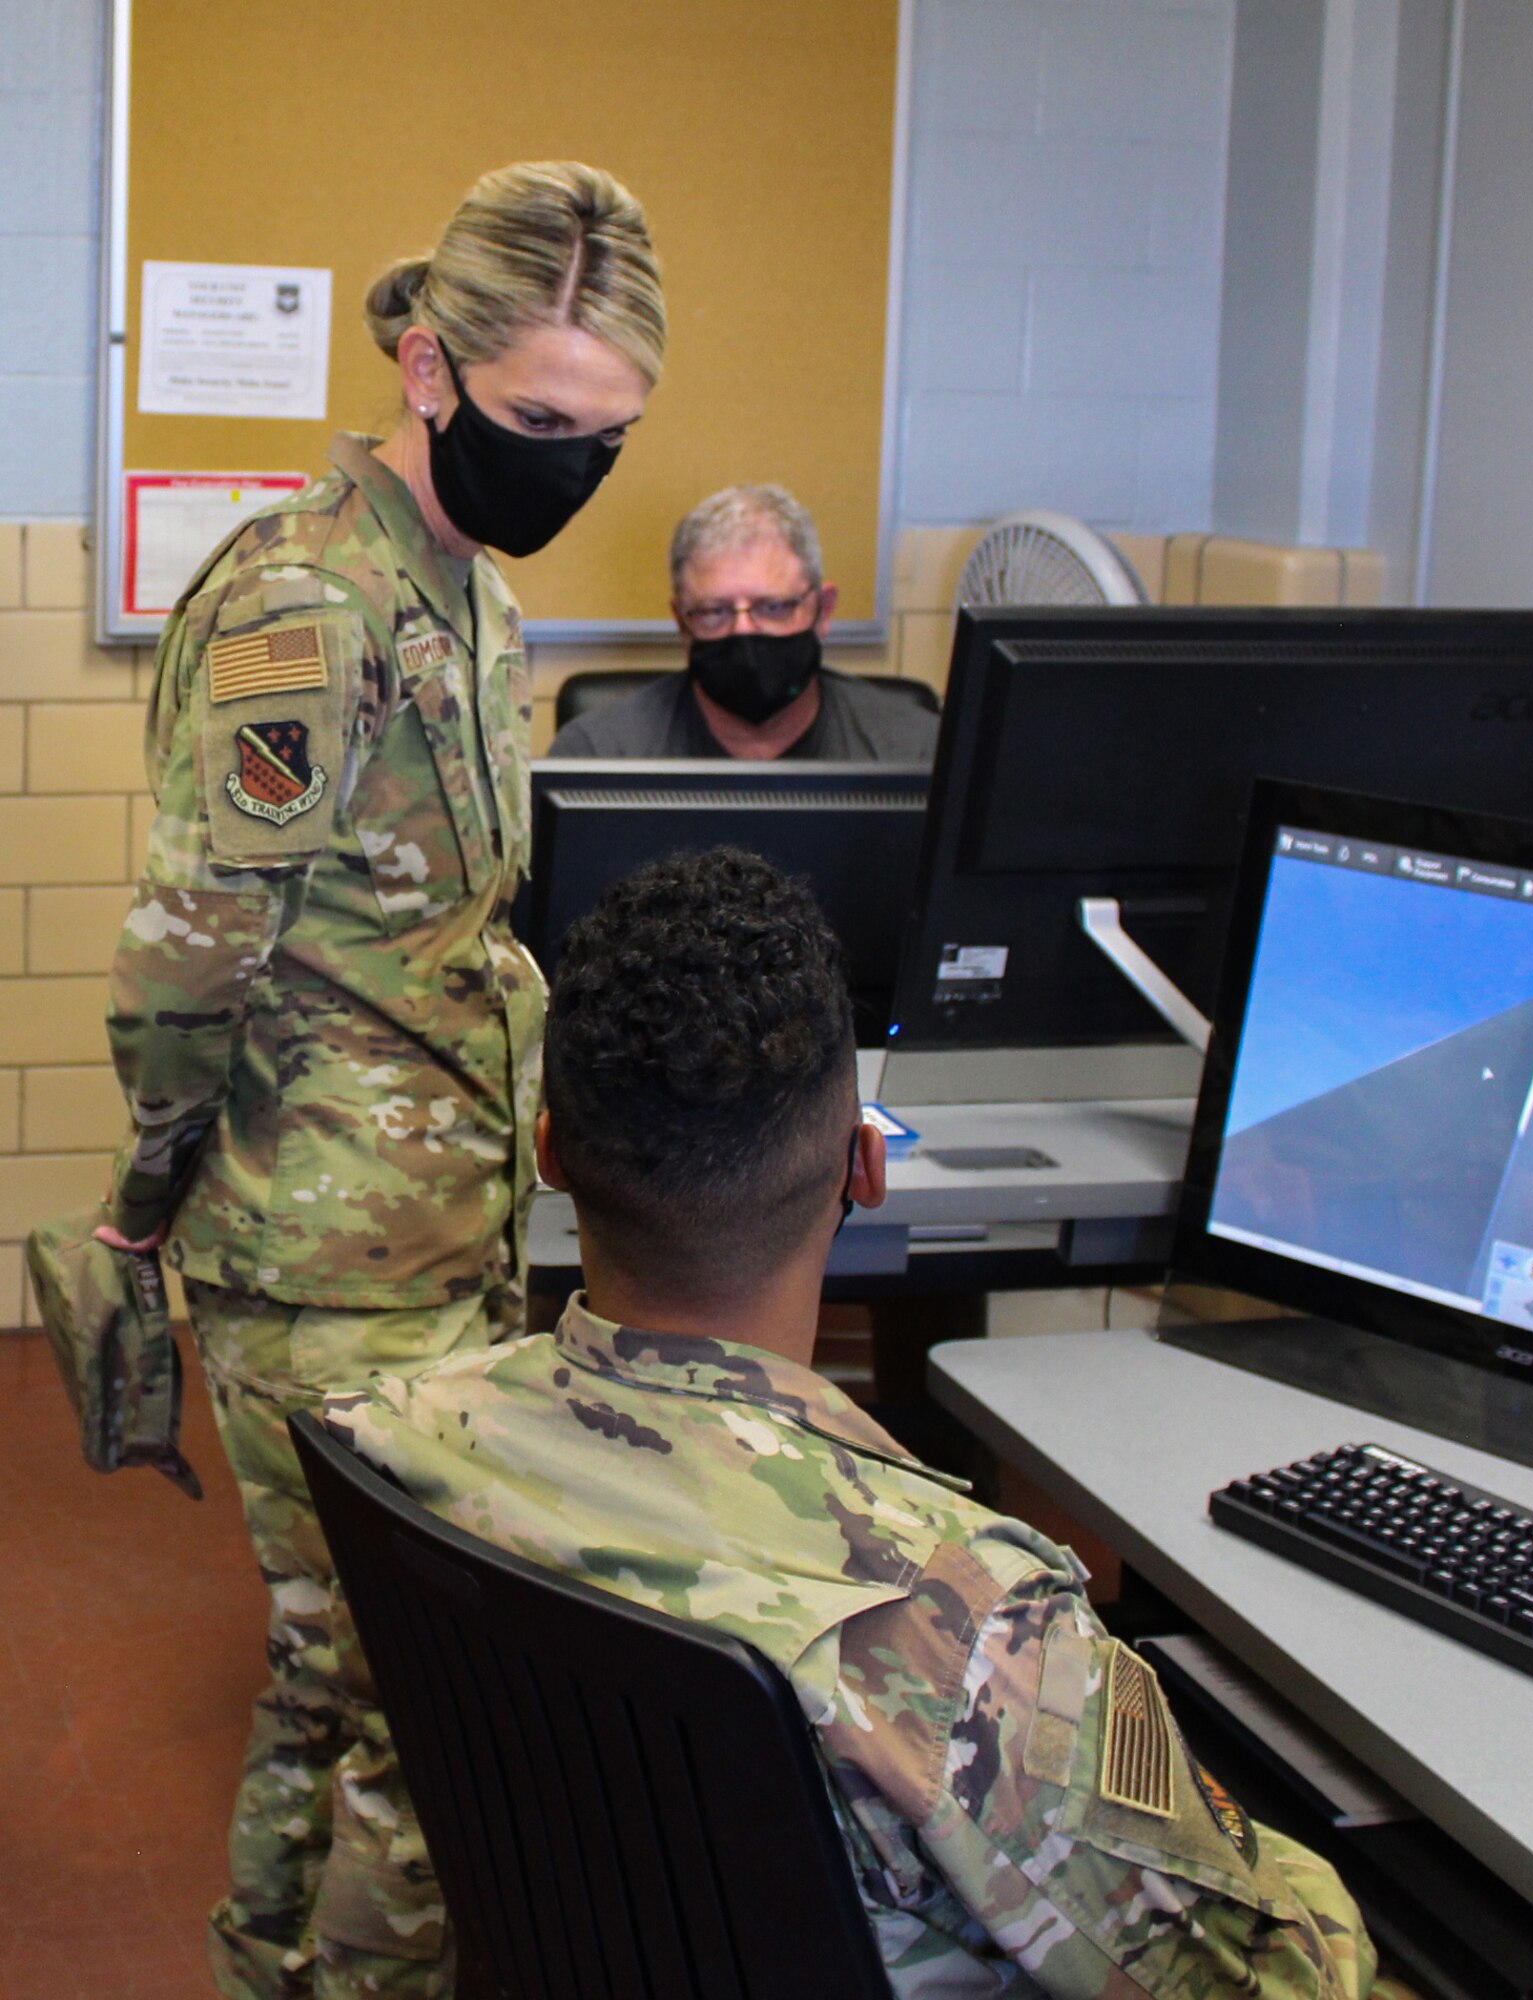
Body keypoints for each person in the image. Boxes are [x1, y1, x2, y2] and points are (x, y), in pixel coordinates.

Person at [328, 849, 1406, 1999]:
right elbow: (1263, 1977)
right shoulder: (975, 1629)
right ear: (865, 1163)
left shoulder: (400, 1439)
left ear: (546, 1155)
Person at [96, 161, 667, 2000]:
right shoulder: (308, 604)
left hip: (440, 1229)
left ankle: (268, 1965)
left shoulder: (467, 594)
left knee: (349, 1670)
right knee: (410, 1694)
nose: (574, 468)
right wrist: (156, 1189)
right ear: (430, 371)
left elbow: (454, 922)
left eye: (609, 435)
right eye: (541, 423)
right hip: (320, 1246)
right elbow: (192, 950)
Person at [546, 482, 939, 760]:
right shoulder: (600, 753)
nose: (744, 632)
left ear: (824, 610)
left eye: (773, 608)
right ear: (683, 623)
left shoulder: (917, 753)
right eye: (715, 611)